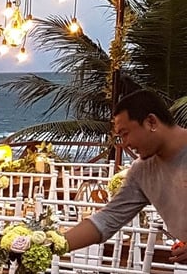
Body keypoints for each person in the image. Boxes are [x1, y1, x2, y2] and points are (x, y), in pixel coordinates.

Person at [63, 89, 187, 264]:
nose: (125, 143)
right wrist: (52, 245)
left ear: (151, 122)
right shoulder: (141, 170)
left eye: (125, 133)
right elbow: (107, 218)